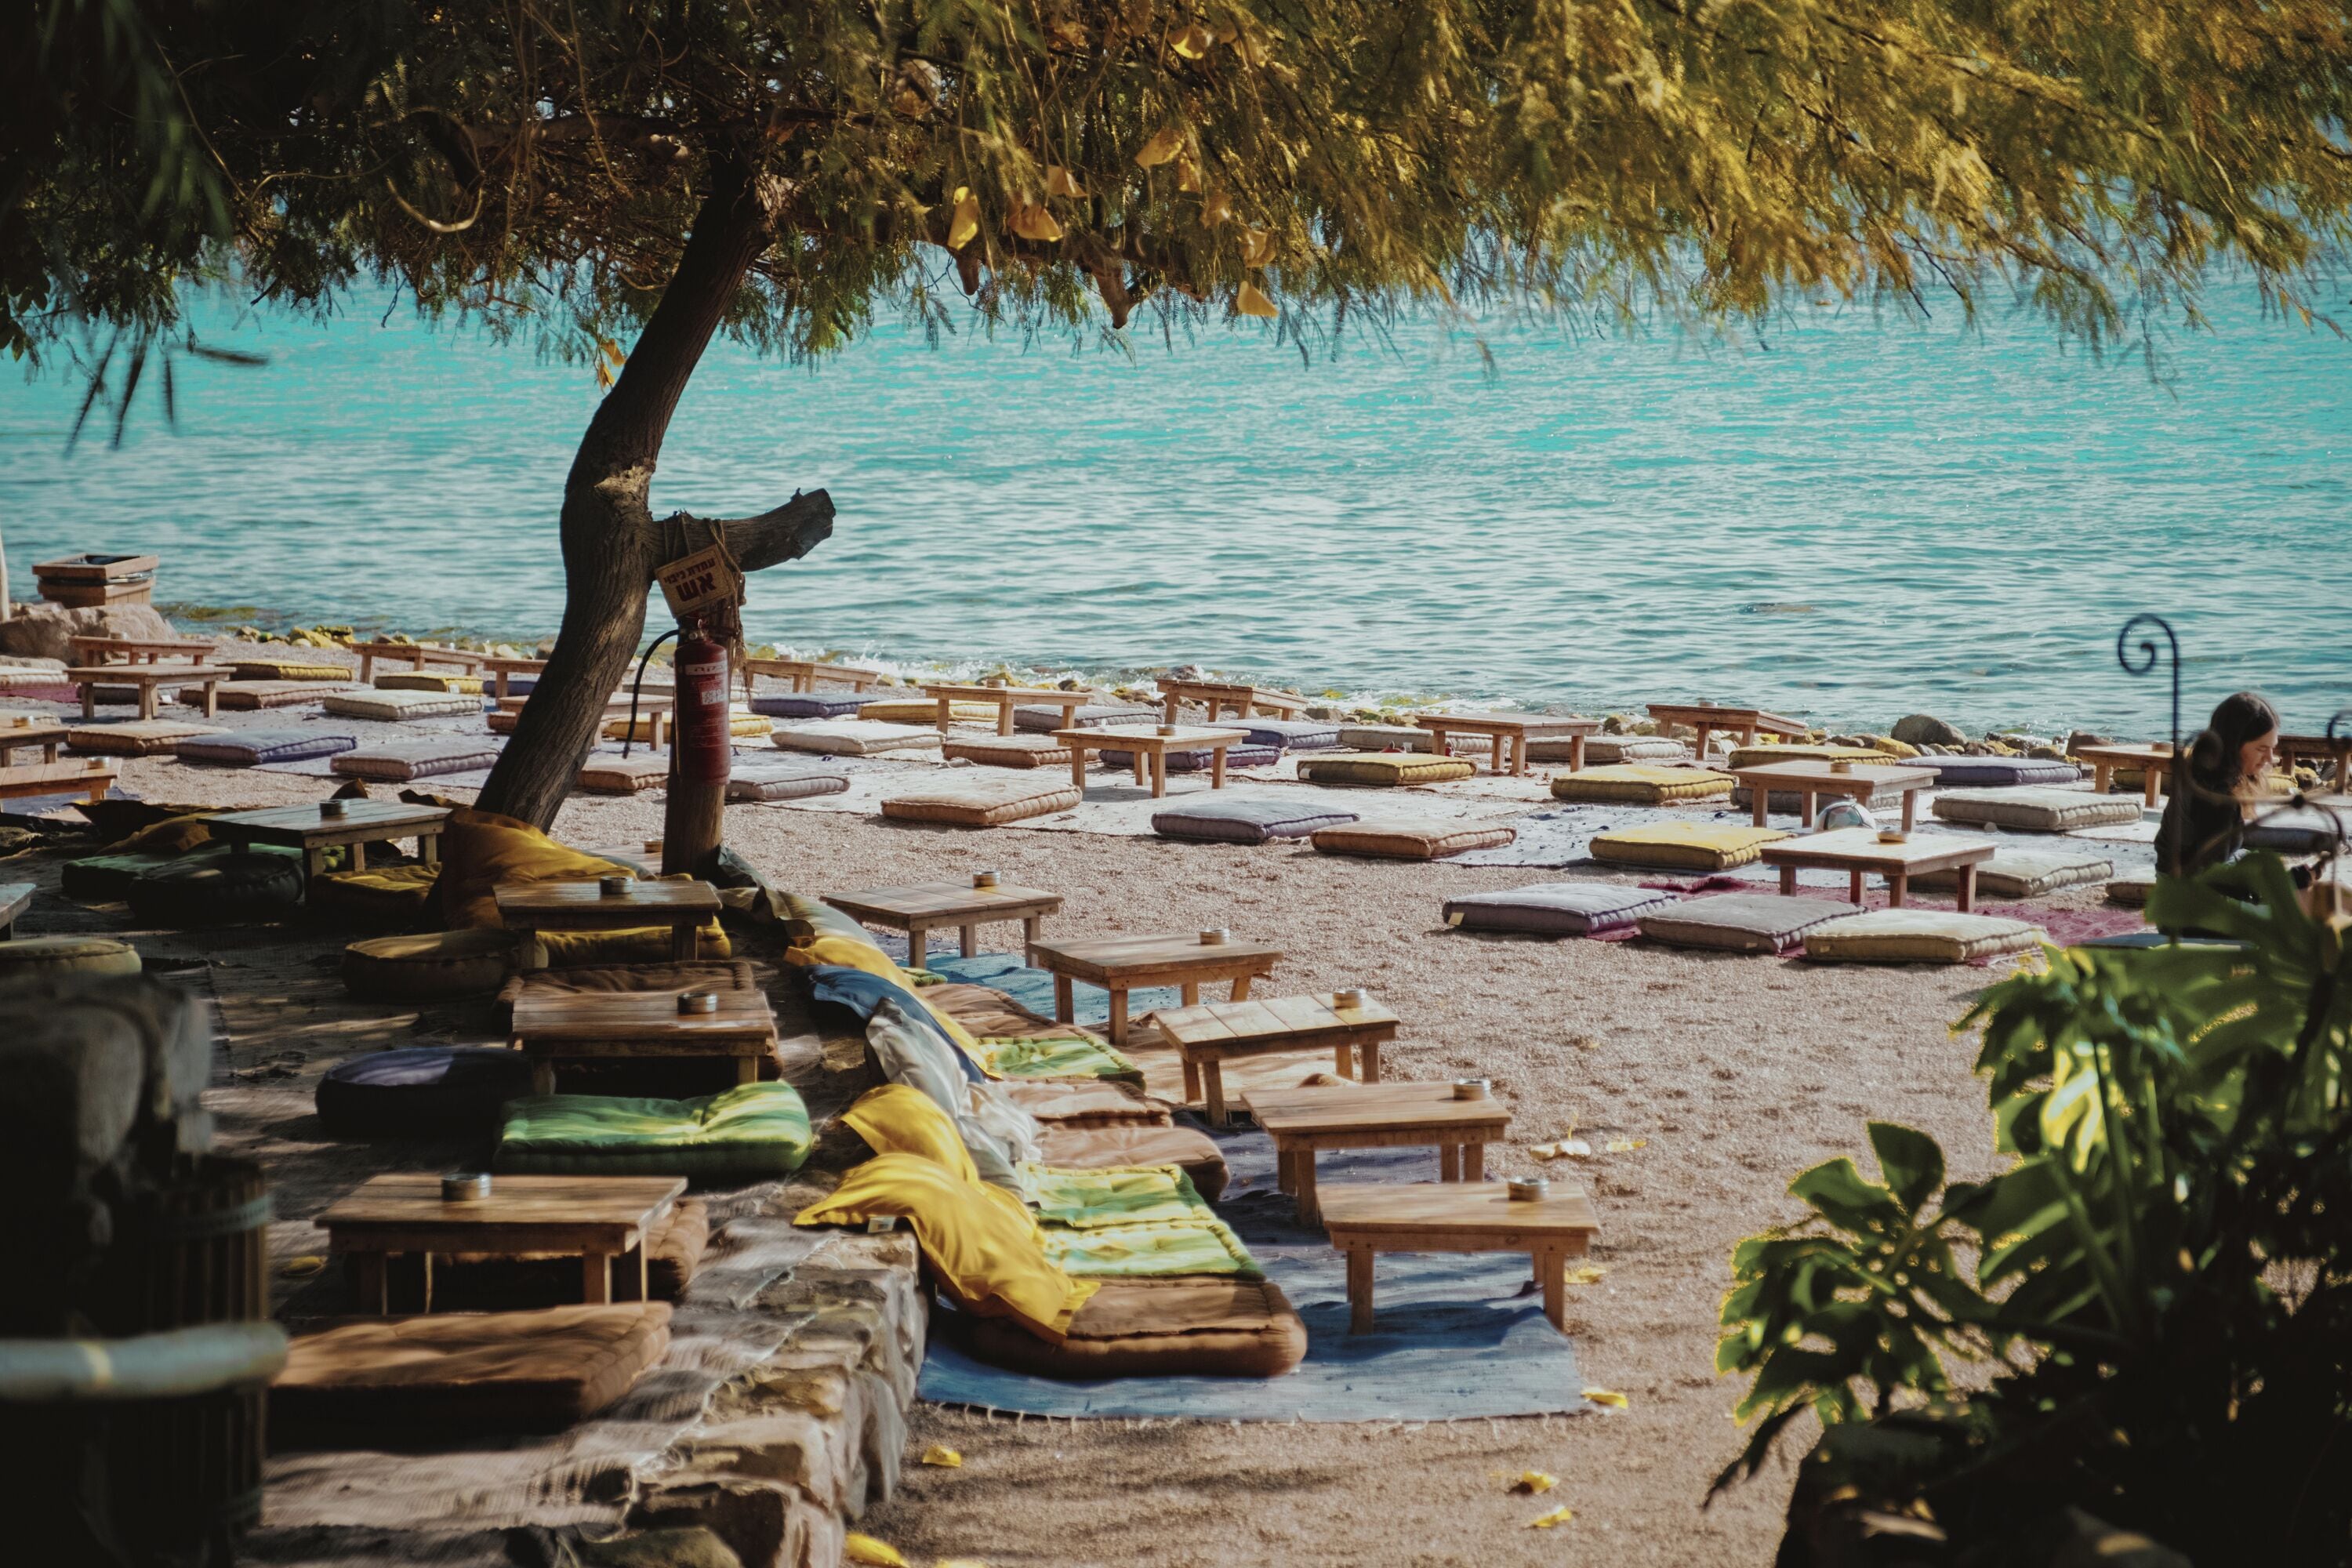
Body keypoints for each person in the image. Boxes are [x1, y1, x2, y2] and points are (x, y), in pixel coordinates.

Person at [2154, 691, 2286, 877]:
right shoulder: (2216, 797)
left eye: (2272, 748)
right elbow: (2210, 876)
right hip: (2186, 894)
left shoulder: (2203, 770)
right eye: (2261, 749)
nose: (2270, 758)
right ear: (2234, 745)